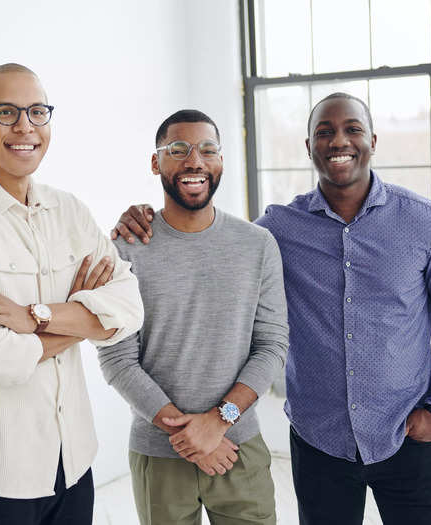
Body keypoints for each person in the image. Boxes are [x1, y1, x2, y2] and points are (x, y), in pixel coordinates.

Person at [111, 93, 431, 525]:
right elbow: (208, 239)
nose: (338, 141)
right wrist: (141, 219)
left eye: (352, 129)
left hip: (408, 435)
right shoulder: (276, 231)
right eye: (324, 132)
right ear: (309, 147)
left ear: (373, 141)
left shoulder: (425, 221)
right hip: (320, 445)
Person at [0, 63, 144, 525]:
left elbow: (130, 307)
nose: (24, 127)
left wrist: (32, 316)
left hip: (72, 459)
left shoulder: (68, 209)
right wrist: (80, 321)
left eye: (37, 112)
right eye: (6, 112)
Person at [99, 109, 289, 525]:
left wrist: (219, 423)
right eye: (178, 149)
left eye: (207, 149)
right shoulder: (126, 249)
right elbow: (116, 360)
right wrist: (193, 437)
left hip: (237, 448)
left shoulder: (257, 245)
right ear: (156, 162)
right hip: (159, 457)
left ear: (220, 161)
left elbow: (272, 345)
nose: (194, 161)